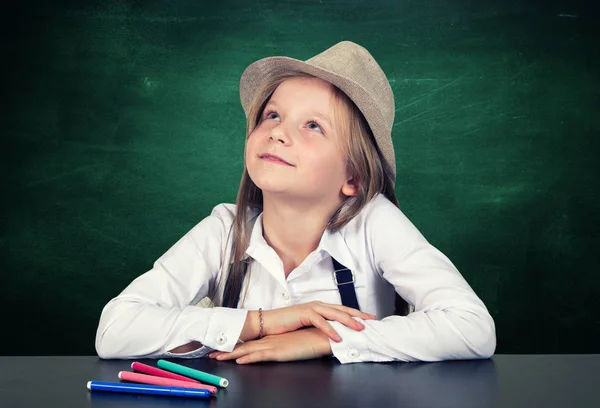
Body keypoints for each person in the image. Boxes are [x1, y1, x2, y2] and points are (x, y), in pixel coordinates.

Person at [95, 41, 496, 364]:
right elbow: (115, 329)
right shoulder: (224, 229)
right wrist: (263, 323)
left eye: (313, 126)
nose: (279, 133)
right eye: (272, 116)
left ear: (353, 178)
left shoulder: (374, 224)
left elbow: (473, 327)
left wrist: (323, 340)